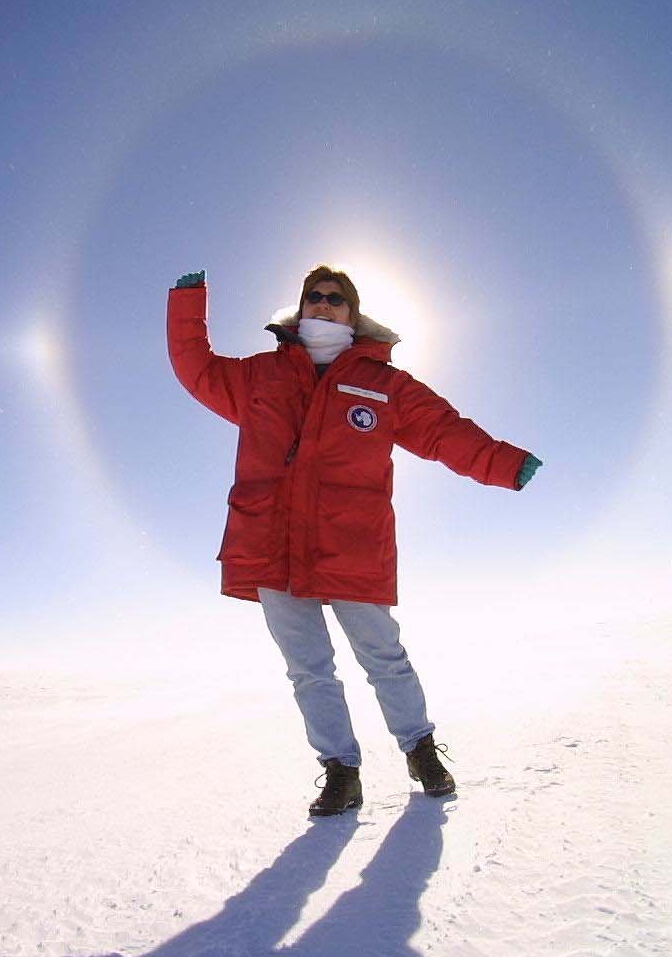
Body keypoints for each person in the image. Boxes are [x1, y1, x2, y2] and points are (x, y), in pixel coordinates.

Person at [167, 265, 542, 817]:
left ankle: (420, 751)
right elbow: (194, 365)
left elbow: (444, 431)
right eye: (313, 297)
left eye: (335, 299)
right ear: (298, 309)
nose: (323, 305)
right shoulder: (259, 378)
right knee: (308, 668)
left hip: (353, 545)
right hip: (273, 545)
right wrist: (186, 300)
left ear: (352, 312)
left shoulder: (384, 383)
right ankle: (341, 771)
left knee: (383, 657)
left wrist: (503, 463)